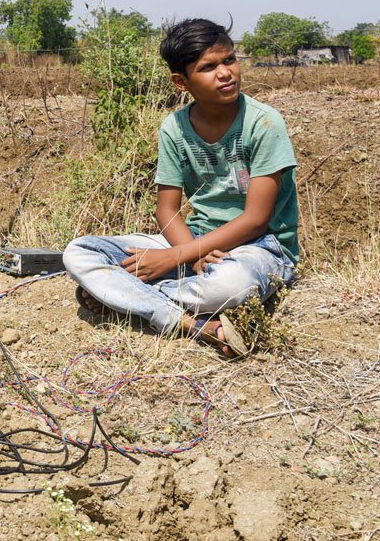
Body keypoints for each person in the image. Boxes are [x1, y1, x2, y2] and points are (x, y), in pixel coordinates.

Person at [63, 18, 299, 356]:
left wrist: (176, 257)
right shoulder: (174, 128)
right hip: (194, 242)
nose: (225, 73)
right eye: (208, 67)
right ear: (181, 82)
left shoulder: (263, 123)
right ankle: (192, 324)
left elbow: (256, 220)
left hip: (261, 247)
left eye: (229, 60)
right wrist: (193, 251)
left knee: (229, 287)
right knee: (80, 251)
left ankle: (121, 296)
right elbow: (167, 209)